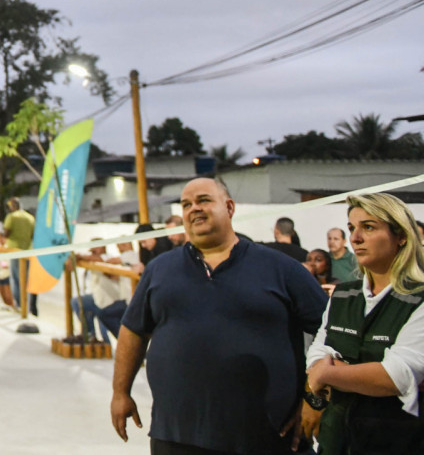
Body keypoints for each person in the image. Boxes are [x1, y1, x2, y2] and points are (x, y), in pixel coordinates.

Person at [111, 177, 328, 454]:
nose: (194, 208)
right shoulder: (160, 269)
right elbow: (133, 330)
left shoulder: (281, 268)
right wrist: (120, 392)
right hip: (176, 436)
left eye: (203, 200)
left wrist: (314, 398)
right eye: (186, 204)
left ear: (229, 207)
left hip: (268, 436)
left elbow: (332, 332)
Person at [304, 192, 424, 455]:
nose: (355, 238)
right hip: (336, 441)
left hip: (398, 442)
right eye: (351, 228)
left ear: (401, 236)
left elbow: (396, 376)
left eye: (368, 227)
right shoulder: (343, 295)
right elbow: (317, 352)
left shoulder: (419, 298)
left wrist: (326, 374)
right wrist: (363, 374)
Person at [71, 242, 127, 341]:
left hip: (108, 300)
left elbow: (100, 259)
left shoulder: (107, 258)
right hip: (97, 298)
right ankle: (91, 334)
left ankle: (110, 342)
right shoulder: (91, 261)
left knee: (104, 325)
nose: (93, 252)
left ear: (103, 248)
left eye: (95, 249)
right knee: (78, 303)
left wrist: (80, 256)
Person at [3, 196, 36, 312]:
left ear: (12, 206)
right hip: (27, 251)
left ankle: (19, 305)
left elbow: (6, 233)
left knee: (16, 279)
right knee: (25, 279)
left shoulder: (11, 217)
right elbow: (33, 235)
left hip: (15, 251)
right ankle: (27, 305)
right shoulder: (30, 218)